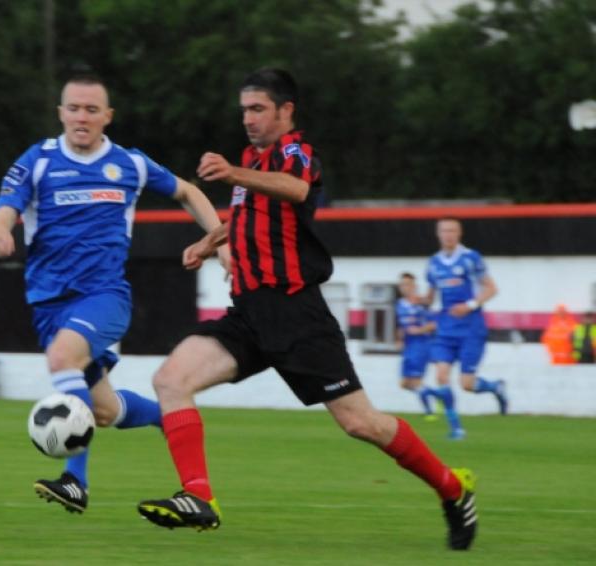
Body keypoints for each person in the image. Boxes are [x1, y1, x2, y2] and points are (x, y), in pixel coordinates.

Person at [136, 68, 478, 551]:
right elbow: (251, 216)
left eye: (258, 109)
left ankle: (452, 487)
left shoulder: (295, 153)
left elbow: (295, 190)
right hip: (250, 315)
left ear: (285, 110)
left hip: (298, 314)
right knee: (171, 380)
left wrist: (233, 174)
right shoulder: (252, 163)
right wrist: (210, 240)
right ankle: (199, 498)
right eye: (244, 110)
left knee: (361, 423)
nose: (248, 119)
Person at [0, 74, 227, 514]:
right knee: (102, 410)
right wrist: (0, 230)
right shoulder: (37, 160)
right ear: (61, 113)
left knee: (62, 359)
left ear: (107, 116)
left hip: (104, 297)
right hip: (48, 304)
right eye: (74, 108)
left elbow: (188, 191)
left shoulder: (128, 164)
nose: (82, 117)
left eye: (92, 109)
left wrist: (220, 240)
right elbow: (5, 209)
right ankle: (167, 417)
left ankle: (75, 482)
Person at [425, 218, 508, 440]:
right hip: (446, 330)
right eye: (444, 231)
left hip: (471, 329)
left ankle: (495, 388)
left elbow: (491, 289)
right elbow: (431, 297)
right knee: (441, 376)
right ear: (438, 234)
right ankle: (456, 428)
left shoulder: (471, 258)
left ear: (459, 234)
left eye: (452, 230)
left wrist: (469, 305)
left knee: (467, 384)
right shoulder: (433, 263)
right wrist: (416, 300)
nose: (448, 234)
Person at [396, 272, 439, 419]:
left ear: (414, 286)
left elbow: (434, 324)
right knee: (404, 384)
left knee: (416, 381)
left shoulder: (422, 304)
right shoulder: (400, 304)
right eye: (402, 284)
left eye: (407, 284)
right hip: (408, 347)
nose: (404, 287)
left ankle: (430, 412)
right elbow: (401, 325)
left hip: (421, 345)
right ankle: (439, 394)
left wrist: (419, 330)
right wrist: (400, 339)